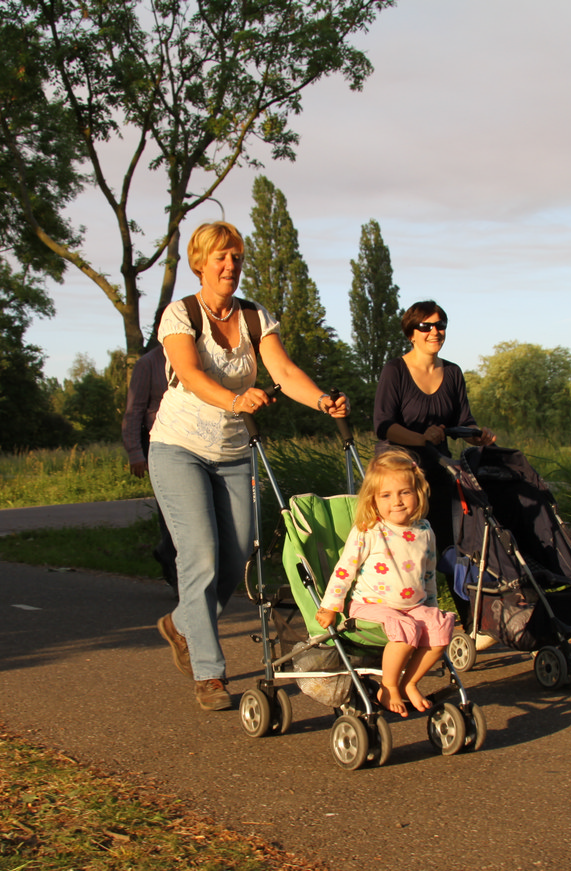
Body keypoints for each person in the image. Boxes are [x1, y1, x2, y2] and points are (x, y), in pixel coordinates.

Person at [149, 220, 349, 712]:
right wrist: (236, 399)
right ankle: (209, 674)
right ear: (200, 263)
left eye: (236, 257)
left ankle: (180, 623)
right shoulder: (180, 314)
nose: (230, 265)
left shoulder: (255, 317)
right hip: (178, 448)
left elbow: (284, 370)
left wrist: (322, 401)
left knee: (237, 556)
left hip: (235, 452)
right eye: (220, 257)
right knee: (200, 556)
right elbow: (190, 375)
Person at [315, 449, 455, 717]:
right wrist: (331, 605)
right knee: (405, 629)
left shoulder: (424, 530)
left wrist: (431, 607)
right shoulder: (369, 530)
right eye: (386, 495)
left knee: (439, 630)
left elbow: (428, 576)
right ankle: (388, 686)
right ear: (374, 500)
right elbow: (344, 570)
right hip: (371, 605)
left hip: (413, 606)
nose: (397, 501)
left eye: (405, 492)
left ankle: (409, 683)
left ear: (418, 493)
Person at [373, 300, 495, 564]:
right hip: (399, 472)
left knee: (450, 543)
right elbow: (383, 425)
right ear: (411, 333)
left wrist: (476, 435)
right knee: (404, 553)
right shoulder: (395, 370)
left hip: (438, 468)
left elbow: (464, 421)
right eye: (425, 326)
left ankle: (457, 583)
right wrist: (421, 438)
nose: (435, 332)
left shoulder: (452, 372)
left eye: (440, 325)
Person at [121, 342, 177, 588]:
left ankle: (166, 551)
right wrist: (135, 452)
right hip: (158, 442)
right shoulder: (147, 364)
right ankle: (178, 577)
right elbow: (134, 410)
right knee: (172, 510)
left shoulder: (198, 355)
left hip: (194, 441)